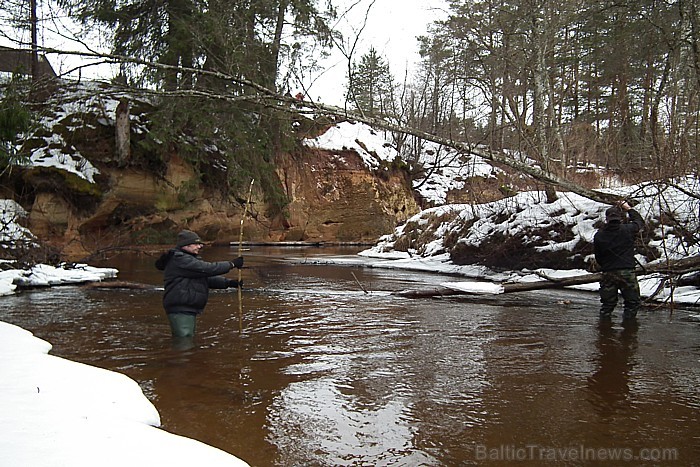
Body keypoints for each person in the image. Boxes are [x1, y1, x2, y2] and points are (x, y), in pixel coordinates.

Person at [155, 230, 244, 338]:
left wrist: (229, 283)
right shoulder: (180, 259)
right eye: (196, 244)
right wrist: (232, 264)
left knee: (186, 340)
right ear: (185, 245)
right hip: (181, 308)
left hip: (185, 308)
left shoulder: (187, 259)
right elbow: (208, 269)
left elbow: (205, 278)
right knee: (184, 341)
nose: (200, 246)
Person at [593, 201, 645, 321]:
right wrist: (628, 209)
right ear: (620, 218)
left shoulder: (599, 235)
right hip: (627, 273)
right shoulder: (628, 229)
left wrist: (605, 266)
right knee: (632, 304)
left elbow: (598, 257)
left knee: (607, 306)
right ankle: (628, 333)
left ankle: (603, 333)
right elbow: (639, 222)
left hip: (608, 273)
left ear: (607, 219)